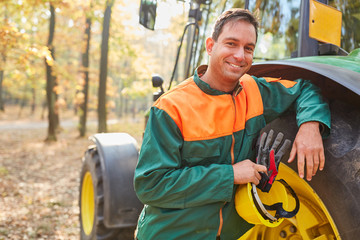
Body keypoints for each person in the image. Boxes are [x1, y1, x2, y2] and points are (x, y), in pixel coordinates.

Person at [134, 8, 330, 240]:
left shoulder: (254, 90)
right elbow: (151, 185)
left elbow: (306, 87)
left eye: (248, 48)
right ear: (210, 46)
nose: (240, 55)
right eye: (231, 44)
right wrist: (230, 175)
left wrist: (310, 124)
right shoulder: (170, 108)